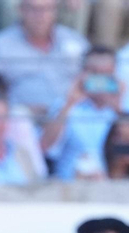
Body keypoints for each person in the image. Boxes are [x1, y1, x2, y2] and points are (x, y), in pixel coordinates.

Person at [0, 0, 87, 121]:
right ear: (21, 10)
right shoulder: (1, 45)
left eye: (47, 9)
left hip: (72, 119)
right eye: (33, 9)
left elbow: (90, 82)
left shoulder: (75, 41)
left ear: (56, 11)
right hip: (20, 121)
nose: (40, 16)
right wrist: (22, 110)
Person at [41, 45, 121, 179]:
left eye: (106, 73)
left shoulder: (125, 107)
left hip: (113, 186)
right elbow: (46, 148)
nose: (101, 79)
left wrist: (119, 108)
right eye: (95, 72)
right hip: (70, 186)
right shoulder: (65, 106)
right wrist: (70, 103)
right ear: (83, 73)